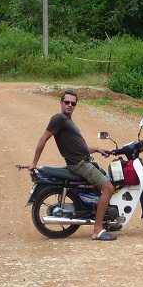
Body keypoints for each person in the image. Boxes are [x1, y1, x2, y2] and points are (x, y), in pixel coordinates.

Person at [20, 90, 117, 241]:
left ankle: (105, 220)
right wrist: (34, 162)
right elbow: (43, 138)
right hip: (80, 165)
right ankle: (98, 230)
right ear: (61, 102)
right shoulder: (59, 119)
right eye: (67, 102)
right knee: (108, 188)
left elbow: (79, 148)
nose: (70, 105)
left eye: (73, 103)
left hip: (85, 161)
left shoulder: (67, 121)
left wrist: (97, 149)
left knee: (105, 179)